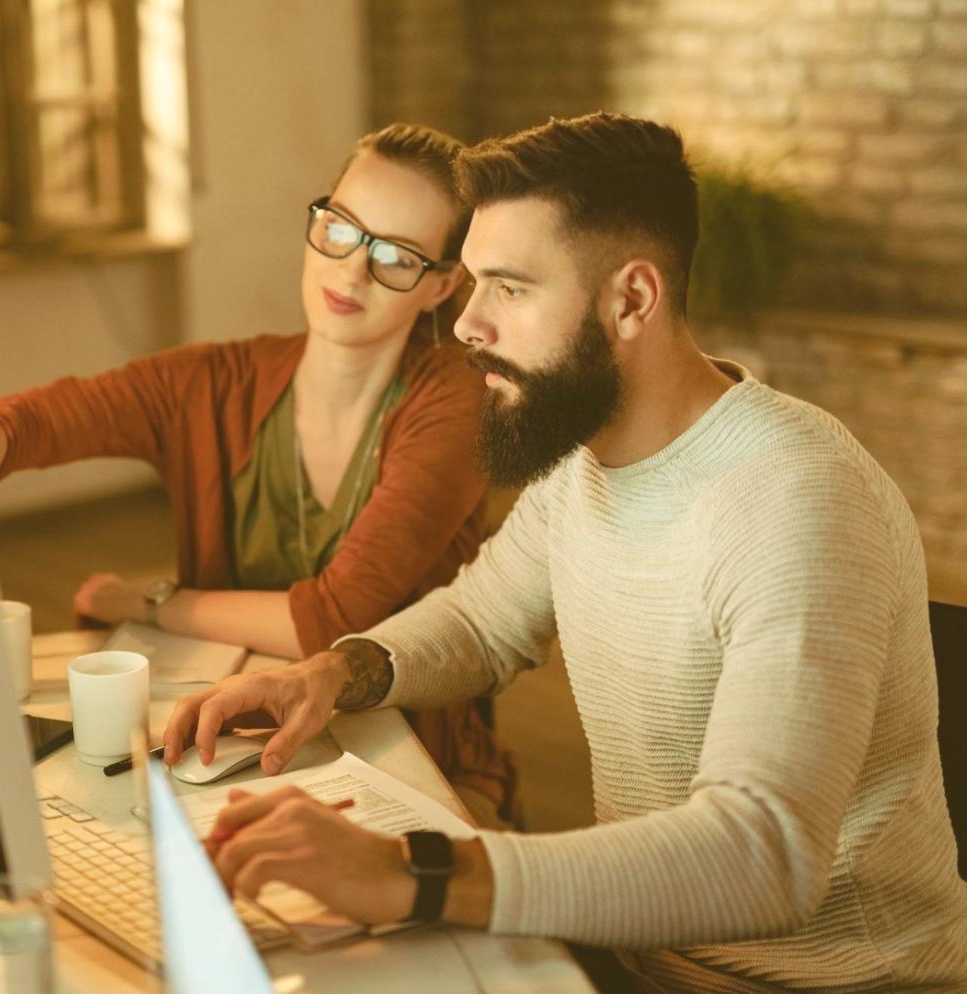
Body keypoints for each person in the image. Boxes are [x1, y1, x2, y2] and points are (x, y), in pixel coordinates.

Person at [163, 112, 967, 992]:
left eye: (508, 288)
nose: (466, 324)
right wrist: (328, 674)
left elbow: (764, 853)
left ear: (630, 300)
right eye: (470, 284)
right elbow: (480, 620)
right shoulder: (587, 456)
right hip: (644, 959)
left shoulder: (794, 500)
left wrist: (413, 876)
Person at [0, 124, 516, 823]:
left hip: (403, 758)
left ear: (441, 284)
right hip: (221, 741)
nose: (350, 272)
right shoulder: (218, 381)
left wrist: (153, 602)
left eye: (395, 257)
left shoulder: (456, 405)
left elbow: (334, 620)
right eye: (341, 230)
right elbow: (35, 420)